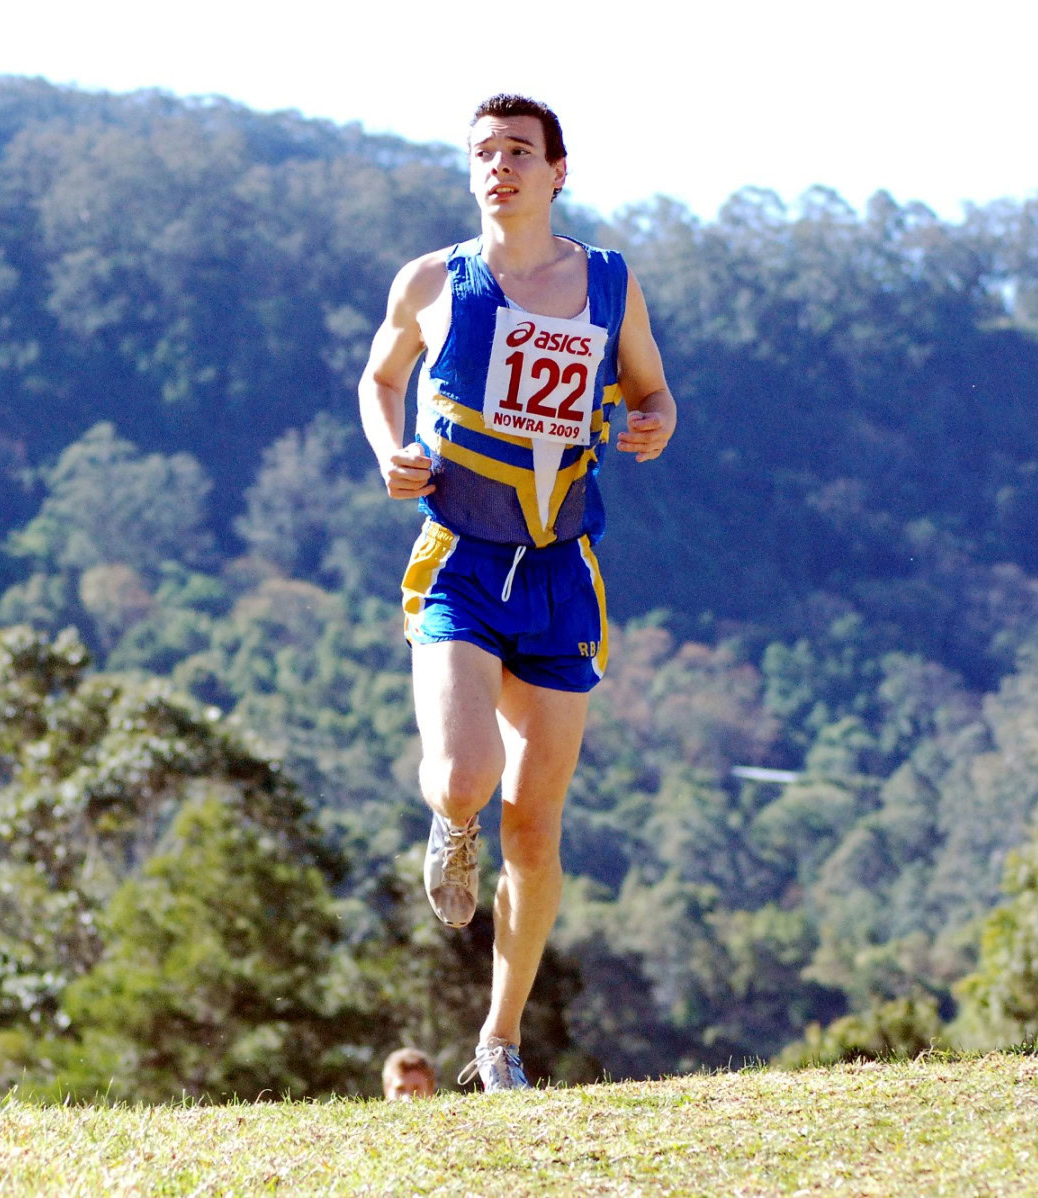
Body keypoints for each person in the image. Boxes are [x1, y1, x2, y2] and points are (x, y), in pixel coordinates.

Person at [358, 94, 677, 1092]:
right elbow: (379, 380)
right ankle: (450, 823)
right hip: (460, 557)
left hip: (559, 572)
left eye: (519, 152)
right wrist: (391, 450)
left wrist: (655, 421)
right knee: (464, 774)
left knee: (534, 830)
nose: (499, 166)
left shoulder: (609, 282)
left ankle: (499, 1041)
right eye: (484, 153)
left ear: (557, 172)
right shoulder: (431, 280)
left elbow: (652, 390)